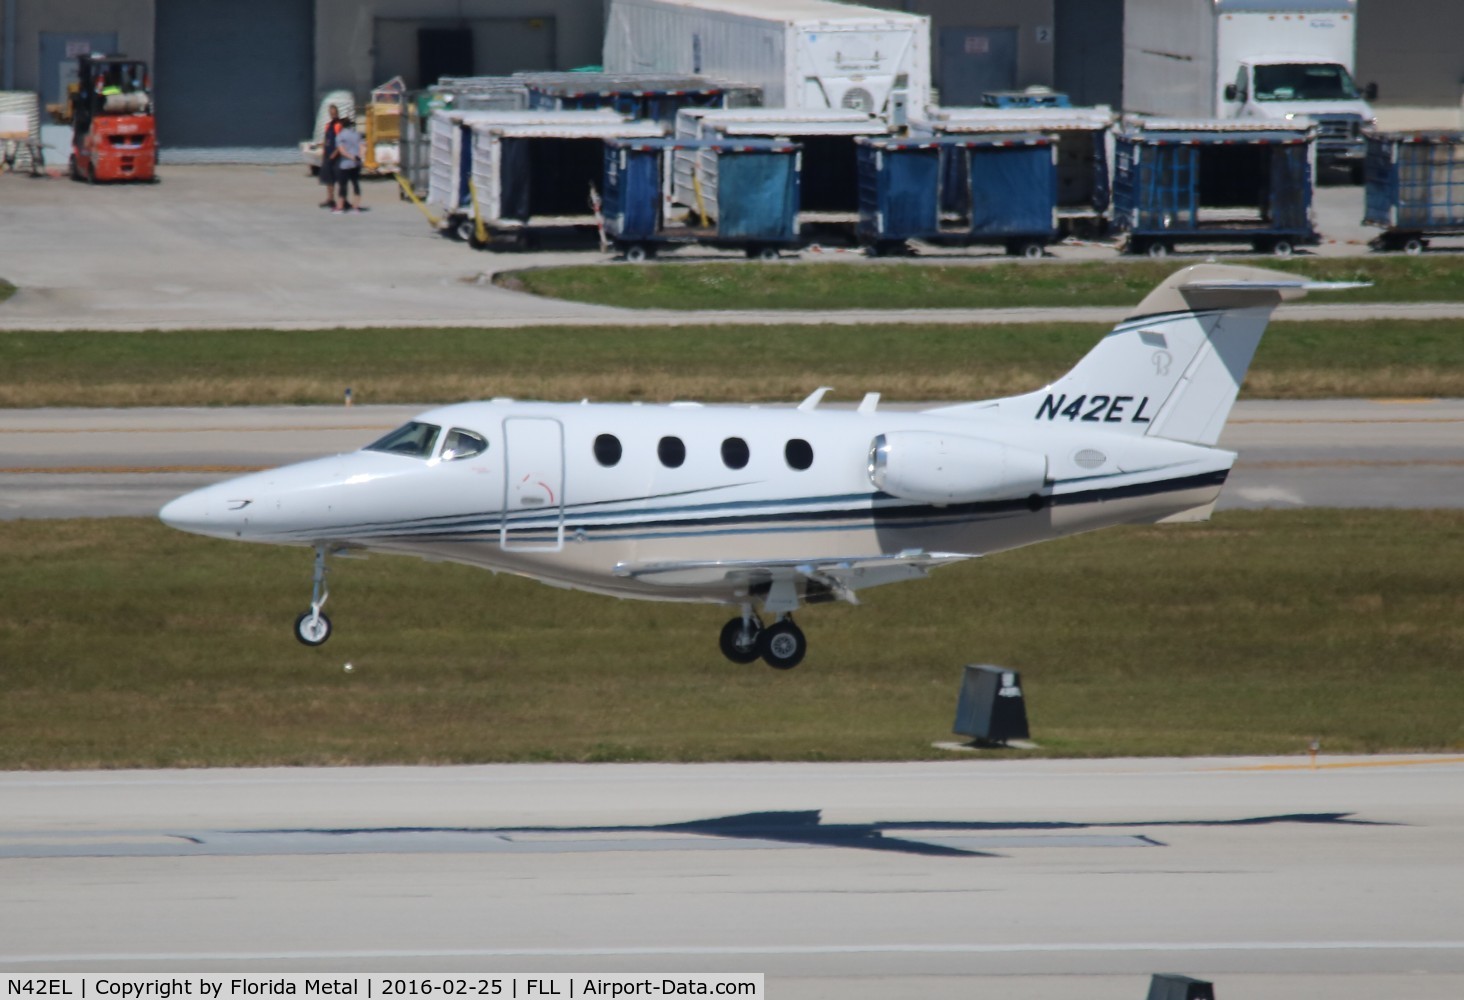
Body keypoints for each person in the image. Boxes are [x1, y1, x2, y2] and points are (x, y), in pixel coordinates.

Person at [333, 116, 365, 213]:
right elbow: (363, 147)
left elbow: (342, 151)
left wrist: (351, 157)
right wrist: (359, 157)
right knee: (356, 184)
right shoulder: (357, 134)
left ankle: (340, 207)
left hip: (345, 164)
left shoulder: (340, 136)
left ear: (342, 125)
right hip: (356, 164)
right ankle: (356, 207)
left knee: (343, 186)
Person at [318, 104, 343, 210]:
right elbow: (326, 139)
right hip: (327, 155)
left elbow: (342, 141)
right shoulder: (328, 125)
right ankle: (330, 199)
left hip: (336, 156)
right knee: (329, 179)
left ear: (337, 113)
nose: (333, 115)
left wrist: (336, 152)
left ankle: (342, 200)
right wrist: (324, 151)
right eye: (331, 113)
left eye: (334, 113)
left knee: (339, 179)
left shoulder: (339, 125)